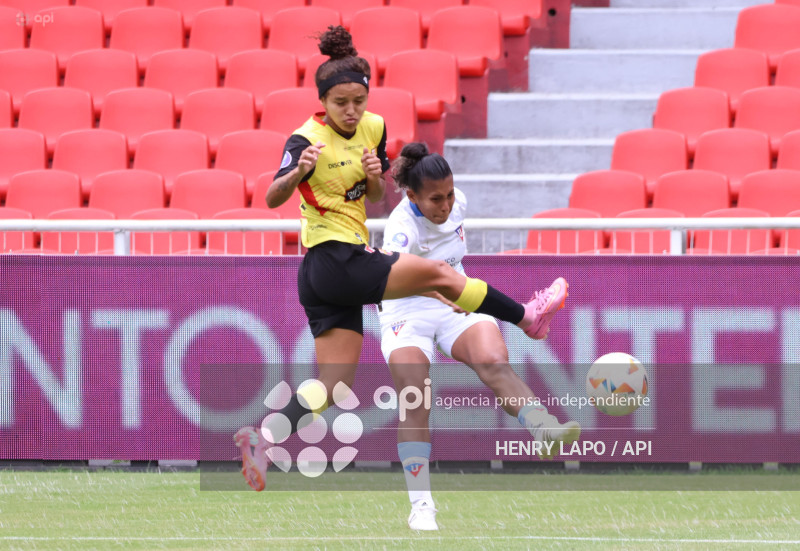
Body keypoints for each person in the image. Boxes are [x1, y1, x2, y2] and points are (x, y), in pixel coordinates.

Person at [233, 26, 570, 492]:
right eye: (340, 103)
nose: (351, 111)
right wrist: (298, 172)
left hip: (334, 268)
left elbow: (371, 195)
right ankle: (527, 317)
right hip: (330, 259)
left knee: (333, 385)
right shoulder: (304, 138)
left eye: (358, 100)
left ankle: (264, 437)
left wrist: (375, 177)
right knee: (439, 273)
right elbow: (272, 197)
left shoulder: (372, 127)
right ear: (323, 102)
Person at [379, 143, 581, 531]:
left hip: (456, 301)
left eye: (450, 193)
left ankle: (543, 427)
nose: (446, 204)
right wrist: (443, 290)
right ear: (412, 196)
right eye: (436, 198)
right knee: (415, 398)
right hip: (407, 309)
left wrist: (454, 292)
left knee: (494, 361)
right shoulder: (400, 228)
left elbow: (451, 265)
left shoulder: (459, 205)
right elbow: (394, 280)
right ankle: (421, 505)